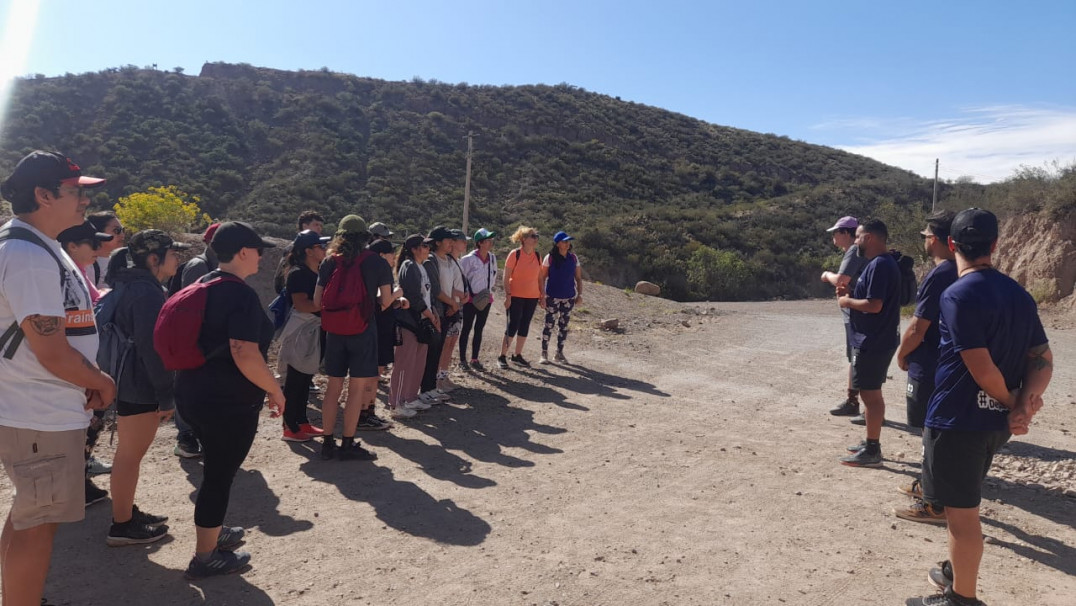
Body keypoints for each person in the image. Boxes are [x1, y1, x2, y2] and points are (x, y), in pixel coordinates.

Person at [906, 209, 1052, 606]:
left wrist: (1012, 405)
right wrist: (1023, 403)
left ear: (951, 245)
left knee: (961, 515)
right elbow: (1041, 356)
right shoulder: (1017, 293)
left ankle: (961, 598)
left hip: (958, 418)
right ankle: (957, 570)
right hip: (991, 425)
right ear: (995, 245)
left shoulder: (957, 293)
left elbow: (979, 364)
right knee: (964, 498)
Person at [0, 150, 116, 606]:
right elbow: (49, 347)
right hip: (40, 412)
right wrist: (101, 382)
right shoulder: (27, 254)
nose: (85, 201)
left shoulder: (39, 246)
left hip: (41, 406)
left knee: (29, 515)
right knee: (37, 526)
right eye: (76, 192)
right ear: (43, 195)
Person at [173, 221, 285, 579]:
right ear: (242, 253)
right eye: (258, 250)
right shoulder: (238, 293)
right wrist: (274, 388)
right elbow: (244, 352)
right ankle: (205, 558)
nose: (262, 256)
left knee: (215, 471)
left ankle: (213, 529)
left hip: (193, 391)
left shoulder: (204, 283)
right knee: (219, 476)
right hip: (225, 401)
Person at [102, 230, 190, 546]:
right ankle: (122, 524)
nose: (178, 258)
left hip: (131, 380)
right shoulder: (147, 293)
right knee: (129, 455)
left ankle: (125, 513)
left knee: (129, 453)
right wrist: (166, 394)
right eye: (172, 253)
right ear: (154, 259)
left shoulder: (137, 285)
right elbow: (152, 349)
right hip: (141, 384)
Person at [891, 211, 957, 525]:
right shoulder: (963, 270)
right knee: (936, 429)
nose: (925, 241)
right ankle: (929, 485)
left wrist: (903, 354)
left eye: (927, 235)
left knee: (929, 429)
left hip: (930, 364)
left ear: (938, 239)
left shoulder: (941, 273)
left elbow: (919, 326)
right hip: (948, 365)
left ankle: (935, 501)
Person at [313, 215, 395, 460]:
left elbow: (318, 301)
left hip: (335, 332)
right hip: (363, 329)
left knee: (333, 387)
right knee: (356, 388)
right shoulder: (376, 263)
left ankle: (327, 443)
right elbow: (387, 300)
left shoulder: (329, 261)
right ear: (365, 237)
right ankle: (347, 444)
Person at [836, 219, 900, 468]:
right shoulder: (880, 264)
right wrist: (851, 295)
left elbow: (875, 305)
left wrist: (846, 302)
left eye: (859, 236)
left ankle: (873, 448)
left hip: (874, 340)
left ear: (870, 238)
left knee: (870, 395)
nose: (856, 240)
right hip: (876, 338)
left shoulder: (881, 266)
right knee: (870, 392)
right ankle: (870, 441)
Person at [57, 221, 116, 491]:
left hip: (80, 371)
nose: (98, 248)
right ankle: (75, 483)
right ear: (71, 246)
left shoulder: (77, 271)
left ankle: (79, 479)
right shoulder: (62, 273)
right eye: (92, 243)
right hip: (68, 374)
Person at [170, 222, 221, 460]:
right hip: (192, 338)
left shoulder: (215, 265)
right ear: (210, 243)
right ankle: (186, 436)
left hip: (205, 339)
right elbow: (188, 304)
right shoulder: (198, 266)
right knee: (187, 387)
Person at [276, 229, 330, 442]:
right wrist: (326, 308)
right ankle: (289, 425)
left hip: (314, 329)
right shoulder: (298, 273)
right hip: (301, 330)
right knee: (295, 379)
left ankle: (302, 421)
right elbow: (301, 303)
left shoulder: (315, 271)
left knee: (305, 376)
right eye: (320, 246)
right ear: (308, 250)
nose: (324, 249)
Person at [821, 216, 869, 420]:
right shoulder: (861, 252)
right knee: (855, 357)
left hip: (858, 312)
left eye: (836, 232)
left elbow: (840, 280)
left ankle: (869, 408)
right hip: (857, 311)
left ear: (847, 233)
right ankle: (853, 401)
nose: (833, 236)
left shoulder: (854, 251)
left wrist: (826, 275)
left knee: (862, 358)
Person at [390, 234, 438, 419]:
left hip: (422, 321)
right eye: (424, 246)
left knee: (418, 361)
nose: (428, 249)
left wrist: (431, 311)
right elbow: (412, 295)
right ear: (414, 249)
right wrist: (429, 314)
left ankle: (410, 397)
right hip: (409, 321)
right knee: (405, 363)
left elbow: (427, 293)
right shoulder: (409, 266)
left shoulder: (422, 267)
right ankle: (397, 403)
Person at [418, 226, 456, 403]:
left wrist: (453, 304)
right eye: (447, 240)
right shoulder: (431, 260)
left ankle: (431, 388)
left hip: (446, 311)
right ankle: (425, 389)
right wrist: (452, 303)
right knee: (431, 352)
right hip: (435, 312)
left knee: (437, 351)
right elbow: (435, 289)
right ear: (438, 242)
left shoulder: (448, 259)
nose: (451, 243)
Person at [499, 225, 542, 369]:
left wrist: (542, 295)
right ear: (524, 239)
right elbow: (506, 277)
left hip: (532, 296)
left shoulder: (537, 255)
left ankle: (517, 355)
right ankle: (502, 356)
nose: (536, 239)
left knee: (525, 325)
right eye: (533, 236)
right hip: (516, 295)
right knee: (513, 325)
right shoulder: (514, 254)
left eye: (536, 236)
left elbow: (540, 277)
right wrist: (508, 295)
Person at [538, 231, 583, 364]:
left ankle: (559, 353)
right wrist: (542, 296)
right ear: (558, 244)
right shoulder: (549, 258)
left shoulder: (573, 258)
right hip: (552, 296)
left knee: (564, 326)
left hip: (568, 297)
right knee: (549, 325)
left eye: (568, 241)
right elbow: (542, 277)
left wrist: (579, 295)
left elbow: (579, 278)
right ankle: (544, 353)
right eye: (564, 241)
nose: (568, 243)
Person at [458, 228, 497, 370]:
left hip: (486, 300)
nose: (490, 242)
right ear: (480, 243)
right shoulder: (468, 259)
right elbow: (461, 278)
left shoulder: (492, 258)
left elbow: (493, 276)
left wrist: (489, 292)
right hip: (470, 300)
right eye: (487, 240)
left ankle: (474, 359)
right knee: (466, 328)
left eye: (490, 240)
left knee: (479, 329)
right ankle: (462, 359)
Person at [87, 210, 126, 290]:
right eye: (116, 231)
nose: (122, 235)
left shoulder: (120, 261)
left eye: (123, 230)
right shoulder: (89, 265)